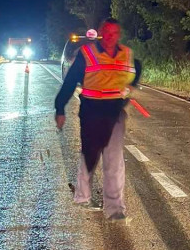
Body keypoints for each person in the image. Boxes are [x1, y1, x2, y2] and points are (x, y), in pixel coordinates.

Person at [55, 18, 142, 223]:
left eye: (115, 33)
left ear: (118, 34)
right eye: (108, 32)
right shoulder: (87, 54)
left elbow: (135, 69)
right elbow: (69, 82)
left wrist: (132, 86)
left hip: (115, 114)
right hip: (91, 112)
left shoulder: (126, 54)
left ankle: (114, 208)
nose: (111, 37)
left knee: (114, 160)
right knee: (90, 154)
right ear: (102, 33)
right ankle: (83, 196)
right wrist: (60, 108)